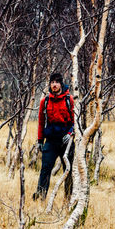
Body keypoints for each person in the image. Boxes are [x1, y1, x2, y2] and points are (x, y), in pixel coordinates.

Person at [33, 73, 74, 201]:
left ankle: (68, 199)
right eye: (52, 82)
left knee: (68, 170)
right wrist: (40, 140)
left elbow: (75, 121)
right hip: (50, 140)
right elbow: (40, 122)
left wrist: (70, 134)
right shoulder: (44, 101)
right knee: (45, 168)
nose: (54, 85)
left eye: (57, 82)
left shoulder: (69, 99)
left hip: (66, 140)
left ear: (61, 84)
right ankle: (41, 197)